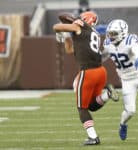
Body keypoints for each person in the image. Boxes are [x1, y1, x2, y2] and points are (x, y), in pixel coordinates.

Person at [53, 11, 119, 145]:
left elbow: (56, 26)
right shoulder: (92, 32)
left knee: (82, 108)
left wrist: (61, 30)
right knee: (92, 106)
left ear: (84, 19)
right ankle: (107, 95)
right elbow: (70, 50)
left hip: (88, 73)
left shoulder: (81, 26)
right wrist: (66, 37)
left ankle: (93, 137)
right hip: (100, 72)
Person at [102, 19, 138, 140]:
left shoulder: (130, 40)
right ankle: (122, 124)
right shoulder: (108, 44)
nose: (111, 36)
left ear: (123, 33)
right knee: (130, 111)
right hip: (127, 80)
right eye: (110, 33)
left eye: (114, 33)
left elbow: (137, 48)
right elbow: (103, 56)